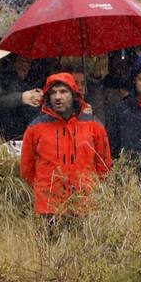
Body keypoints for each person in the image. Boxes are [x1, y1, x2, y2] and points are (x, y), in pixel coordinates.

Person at [18, 72, 113, 222]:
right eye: (53, 92)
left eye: (63, 92)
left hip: (85, 205)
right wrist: (45, 190)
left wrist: (89, 189)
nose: (57, 97)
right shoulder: (35, 128)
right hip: (48, 208)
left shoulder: (94, 126)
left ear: (74, 94)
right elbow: (27, 170)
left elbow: (104, 166)